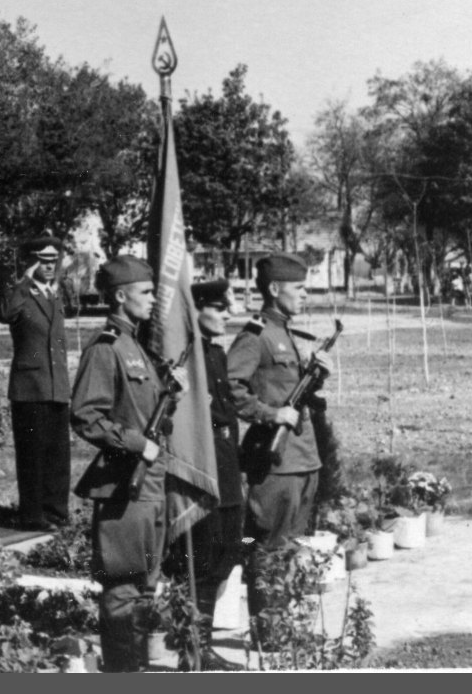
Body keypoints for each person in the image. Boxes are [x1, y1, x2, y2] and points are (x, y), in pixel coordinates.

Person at [70, 255, 172, 673]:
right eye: (145, 292)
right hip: (125, 485)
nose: (152, 300)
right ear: (120, 295)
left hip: (150, 485)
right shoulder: (107, 347)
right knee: (123, 588)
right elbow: (85, 415)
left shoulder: (135, 346)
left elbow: (142, 408)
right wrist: (134, 443)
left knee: (144, 586)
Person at [226, 252, 333, 639]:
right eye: (299, 288)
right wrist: (270, 415)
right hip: (275, 463)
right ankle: (270, 633)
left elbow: (291, 392)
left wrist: (315, 377)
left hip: (301, 458)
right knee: (267, 546)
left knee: (289, 546)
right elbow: (229, 390)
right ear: (275, 289)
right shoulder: (255, 335)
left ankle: (284, 624)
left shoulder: (284, 331)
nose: (305, 294)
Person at [162, 278, 244, 671]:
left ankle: (203, 645)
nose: (228, 313)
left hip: (226, 464)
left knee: (227, 551)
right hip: (202, 465)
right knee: (201, 558)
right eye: (219, 307)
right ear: (197, 312)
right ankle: (192, 652)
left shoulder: (215, 353)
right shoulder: (185, 357)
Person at [0, 236, 72, 531]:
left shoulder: (56, 294)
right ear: (31, 261)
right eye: (42, 260)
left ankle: (56, 511)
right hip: (29, 386)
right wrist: (23, 281)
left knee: (58, 453)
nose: (50, 266)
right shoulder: (21, 293)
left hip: (56, 384)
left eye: (54, 260)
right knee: (33, 454)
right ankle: (32, 514)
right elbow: (4, 314)